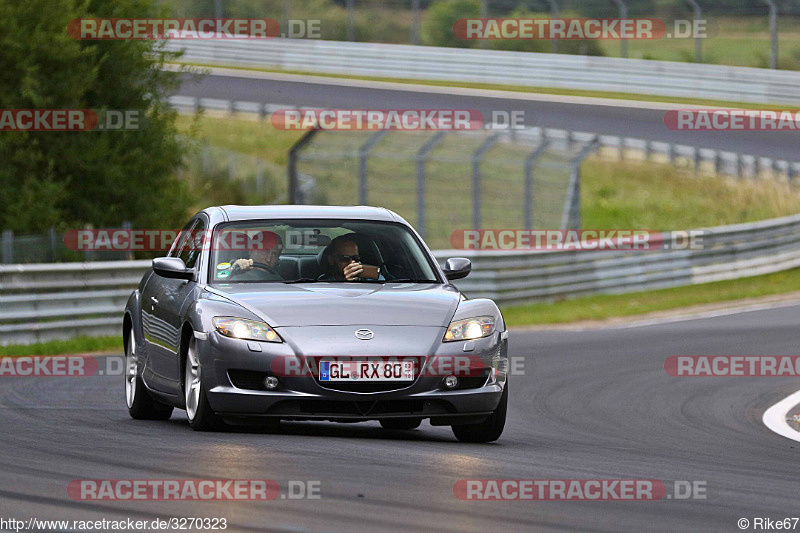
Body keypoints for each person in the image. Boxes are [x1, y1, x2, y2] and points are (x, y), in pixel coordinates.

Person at [319, 234, 383, 282]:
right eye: (345, 258)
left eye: (356, 258)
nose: (351, 262)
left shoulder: (368, 274)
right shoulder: (324, 282)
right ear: (331, 260)